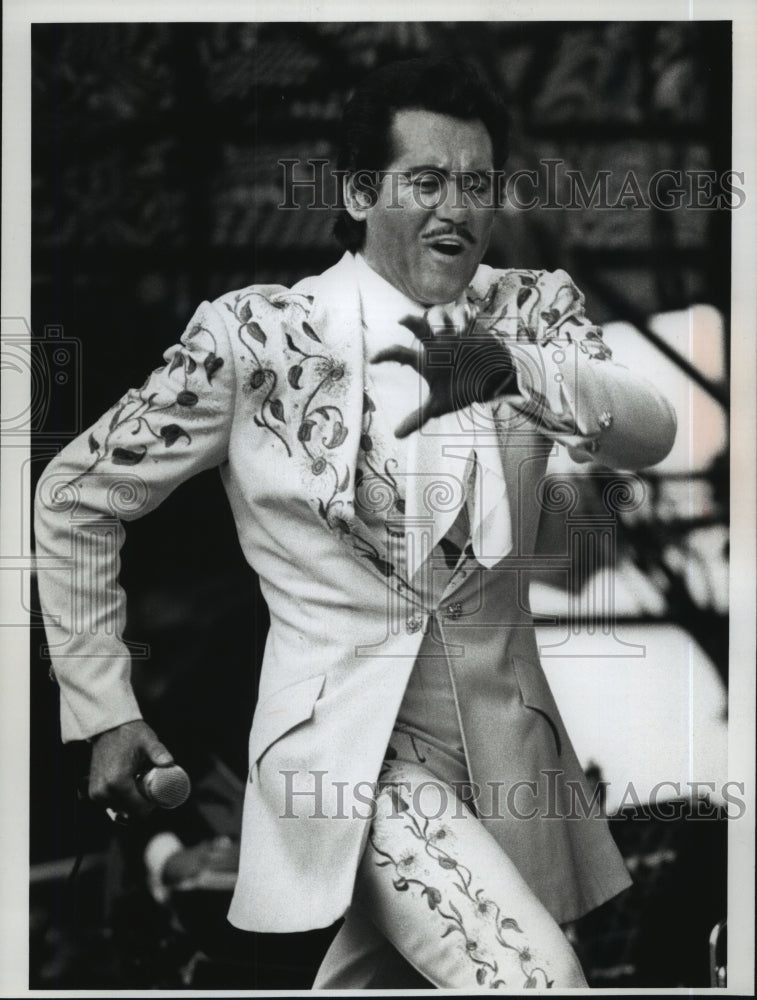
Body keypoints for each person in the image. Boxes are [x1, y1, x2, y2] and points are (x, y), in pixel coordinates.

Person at [35, 56, 677, 989]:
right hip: (347, 767)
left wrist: (513, 367)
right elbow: (75, 495)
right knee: (534, 979)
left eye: (478, 182)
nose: (457, 206)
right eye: (425, 180)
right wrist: (105, 711)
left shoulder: (529, 306)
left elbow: (650, 432)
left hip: (507, 762)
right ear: (357, 190)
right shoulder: (254, 336)